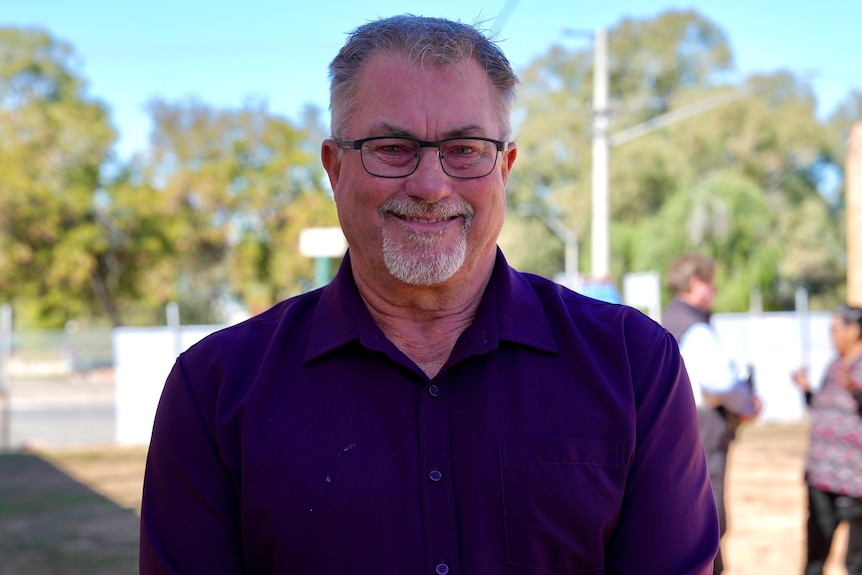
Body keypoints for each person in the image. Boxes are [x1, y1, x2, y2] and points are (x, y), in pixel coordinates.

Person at [139, 15, 719, 574]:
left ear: (506, 168)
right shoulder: (214, 393)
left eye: (465, 149)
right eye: (392, 148)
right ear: (334, 167)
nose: (430, 184)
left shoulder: (634, 366)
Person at [662, 253, 762, 575]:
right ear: (695, 283)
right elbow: (720, 381)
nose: (714, 291)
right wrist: (747, 404)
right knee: (710, 522)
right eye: (710, 283)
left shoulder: (670, 318)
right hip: (703, 433)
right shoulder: (695, 327)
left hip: (678, 431)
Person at [792, 305, 862, 575]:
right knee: (816, 554)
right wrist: (807, 392)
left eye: (836, 328)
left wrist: (854, 391)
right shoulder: (835, 364)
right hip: (821, 473)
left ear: (855, 330)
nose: (831, 334)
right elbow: (825, 409)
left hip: (855, 480)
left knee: (856, 562)